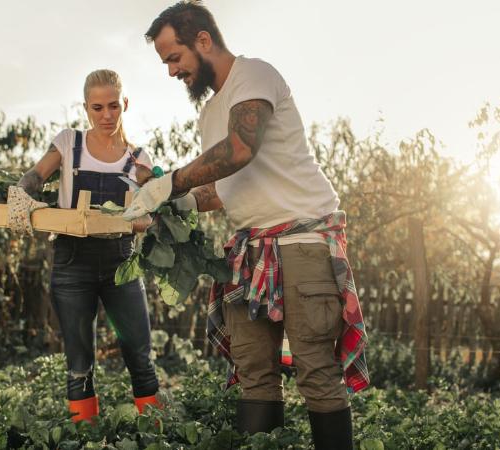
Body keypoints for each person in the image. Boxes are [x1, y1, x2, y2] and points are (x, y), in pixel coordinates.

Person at [124, 3, 369, 448]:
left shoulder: (254, 74)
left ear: (202, 40)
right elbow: (223, 189)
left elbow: (240, 148)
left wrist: (171, 183)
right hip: (249, 251)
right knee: (254, 373)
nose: (171, 71)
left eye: (174, 58)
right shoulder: (208, 114)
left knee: (315, 369)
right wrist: (161, 205)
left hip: (301, 243)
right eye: (165, 63)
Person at [7, 69, 160, 424]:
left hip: (121, 263)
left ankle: (157, 434)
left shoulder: (139, 160)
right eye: (97, 108)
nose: (106, 115)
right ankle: (85, 436)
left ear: (125, 104)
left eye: (113, 106)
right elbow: (35, 176)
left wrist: (145, 220)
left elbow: (155, 211)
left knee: (140, 354)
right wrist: (19, 193)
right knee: (79, 362)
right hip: (72, 262)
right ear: (86, 108)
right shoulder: (68, 143)